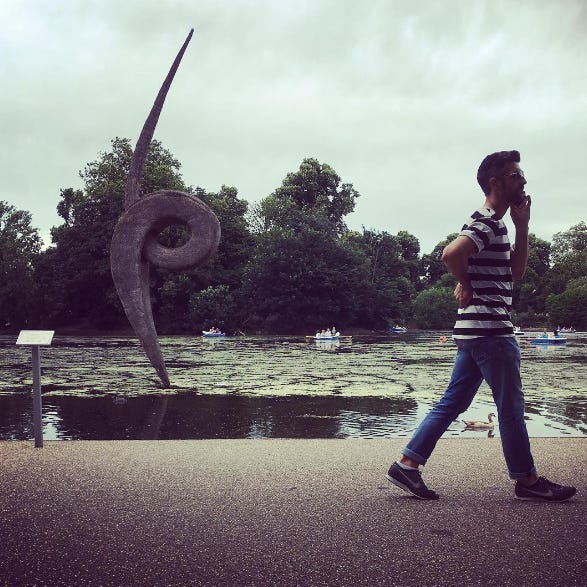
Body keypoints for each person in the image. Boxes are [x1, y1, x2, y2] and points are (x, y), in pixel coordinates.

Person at [386, 150, 576, 502]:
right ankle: (528, 480)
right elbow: (450, 254)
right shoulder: (487, 222)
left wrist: (523, 227)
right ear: (496, 182)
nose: (523, 180)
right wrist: (467, 281)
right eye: (516, 175)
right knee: (511, 409)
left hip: (474, 331)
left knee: (451, 403)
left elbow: (514, 272)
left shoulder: (494, 224)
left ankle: (407, 465)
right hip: (491, 330)